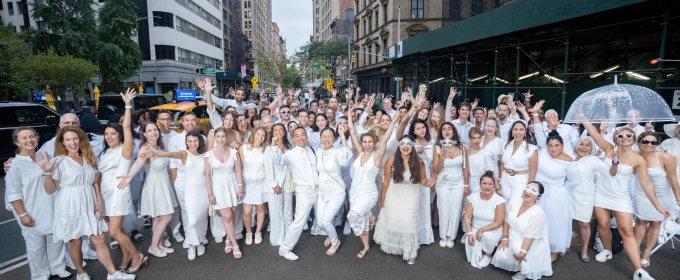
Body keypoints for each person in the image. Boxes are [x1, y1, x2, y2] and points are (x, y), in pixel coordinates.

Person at [37, 126, 137, 280]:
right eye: (68, 139)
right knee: (75, 243)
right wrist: (47, 172)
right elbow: (50, 190)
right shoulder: (59, 161)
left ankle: (113, 274)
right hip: (69, 203)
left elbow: (94, 182)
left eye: (75, 138)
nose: (72, 142)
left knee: (100, 239)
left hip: (89, 201)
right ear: (62, 143)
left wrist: (98, 200)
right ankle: (81, 273)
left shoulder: (88, 157)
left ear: (80, 139)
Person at [580, 116, 670, 280]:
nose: (624, 138)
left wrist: (658, 206)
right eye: (620, 136)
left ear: (634, 139)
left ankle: (638, 270)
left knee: (627, 231)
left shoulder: (638, 159)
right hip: (601, 192)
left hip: (621, 197)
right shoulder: (608, 148)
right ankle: (607, 250)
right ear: (615, 139)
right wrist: (583, 118)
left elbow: (647, 184)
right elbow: (593, 132)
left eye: (628, 136)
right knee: (604, 224)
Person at [5, 127, 71, 279]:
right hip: (31, 210)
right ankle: (40, 274)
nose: (29, 140)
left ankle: (57, 267)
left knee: (56, 239)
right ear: (17, 143)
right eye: (24, 138)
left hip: (51, 206)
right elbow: (13, 194)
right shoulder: (15, 165)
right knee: (36, 246)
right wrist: (23, 215)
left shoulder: (43, 156)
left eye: (32, 136)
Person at [97, 89, 146, 272]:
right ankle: (126, 256)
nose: (109, 136)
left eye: (113, 133)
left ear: (120, 136)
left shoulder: (124, 150)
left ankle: (136, 256)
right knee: (120, 231)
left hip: (119, 192)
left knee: (114, 232)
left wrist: (127, 104)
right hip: (107, 193)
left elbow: (126, 127)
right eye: (107, 133)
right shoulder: (105, 152)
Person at [143, 131, 209, 261]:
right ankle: (192, 244)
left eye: (195, 140)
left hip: (203, 192)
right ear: (186, 142)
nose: (193, 143)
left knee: (202, 219)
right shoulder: (184, 154)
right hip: (190, 191)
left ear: (199, 141)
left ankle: (200, 242)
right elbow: (171, 154)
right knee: (192, 220)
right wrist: (155, 153)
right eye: (189, 141)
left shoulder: (204, 155)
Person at [118, 122, 178, 259]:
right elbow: (139, 162)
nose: (153, 133)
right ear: (144, 134)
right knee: (166, 217)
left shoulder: (159, 146)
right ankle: (153, 246)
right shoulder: (145, 148)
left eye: (155, 130)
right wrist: (129, 176)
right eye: (149, 131)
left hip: (164, 184)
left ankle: (159, 244)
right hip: (154, 186)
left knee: (158, 216)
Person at [346, 107, 400, 258]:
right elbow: (351, 130)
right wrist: (350, 114)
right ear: (361, 143)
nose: (368, 144)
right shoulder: (359, 153)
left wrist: (394, 120)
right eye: (365, 142)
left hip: (369, 193)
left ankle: (370, 221)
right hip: (355, 193)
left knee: (352, 216)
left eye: (370, 142)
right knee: (362, 219)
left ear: (373, 142)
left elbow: (386, 137)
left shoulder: (377, 156)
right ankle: (366, 246)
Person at [373, 136, 434, 265]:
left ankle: (411, 252)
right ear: (399, 146)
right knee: (394, 221)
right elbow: (386, 182)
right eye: (402, 143)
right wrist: (382, 199)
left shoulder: (419, 162)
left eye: (408, 144)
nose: (405, 147)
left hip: (411, 196)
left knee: (408, 222)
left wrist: (429, 183)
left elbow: (422, 180)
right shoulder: (392, 160)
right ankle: (395, 246)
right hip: (394, 195)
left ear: (412, 146)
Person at [533, 123, 581, 261]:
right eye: (550, 146)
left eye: (557, 145)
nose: (553, 149)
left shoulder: (569, 162)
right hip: (537, 191)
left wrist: (559, 186)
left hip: (555, 195)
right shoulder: (542, 151)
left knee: (553, 223)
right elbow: (538, 132)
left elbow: (575, 181)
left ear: (563, 145)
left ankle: (553, 251)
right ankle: (537, 247)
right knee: (537, 221)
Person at [271, 127, 320, 261]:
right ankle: (284, 249)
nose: (300, 138)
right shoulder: (290, 154)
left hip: (319, 189)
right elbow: (277, 161)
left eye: (302, 135)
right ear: (293, 139)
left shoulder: (312, 150)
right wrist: (274, 146)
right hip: (304, 191)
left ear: (306, 136)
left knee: (324, 218)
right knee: (299, 221)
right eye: (297, 136)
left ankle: (326, 235)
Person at [633, 132, 680, 267]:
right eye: (646, 142)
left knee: (655, 224)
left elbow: (673, 180)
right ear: (639, 142)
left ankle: (647, 252)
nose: (649, 145)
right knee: (641, 221)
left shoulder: (665, 157)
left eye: (653, 143)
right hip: (642, 193)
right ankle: (634, 250)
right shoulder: (634, 156)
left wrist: (678, 198)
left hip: (663, 194)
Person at [491, 181, 552, 280]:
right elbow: (506, 220)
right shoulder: (514, 201)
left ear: (539, 197)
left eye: (533, 190)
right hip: (513, 235)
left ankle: (524, 271)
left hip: (530, 242)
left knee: (519, 253)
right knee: (501, 254)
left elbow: (530, 237)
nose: (528, 191)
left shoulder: (538, 214)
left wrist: (522, 254)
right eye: (527, 187)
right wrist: (505, 238)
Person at [205, 127, 245, 259]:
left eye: (223, 136)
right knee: (227, 217)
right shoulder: (209, 154)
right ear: (214, 138)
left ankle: (228, 239)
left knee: (232, 215)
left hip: (232, 185)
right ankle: (235, 245)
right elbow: (207, 176)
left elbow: (238, 171)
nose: (221, 139)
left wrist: (240, 188)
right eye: (218, 137)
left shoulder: (234, 152)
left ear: (226, 138)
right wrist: (210, 194)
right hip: (218, 187)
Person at [571, 136, 610, 263]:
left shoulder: (593, 160)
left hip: (585, 195)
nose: (584, 147)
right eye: (581, 144)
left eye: (588, 145)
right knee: (565, 221)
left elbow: (608, 172)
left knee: (584, 223)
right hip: (567, 193)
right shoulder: (568, 157)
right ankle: (563, 246)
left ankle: (584, 249)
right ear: (577, 145)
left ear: (592, 148)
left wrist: (614, 160)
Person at [432, 122, 469, 248]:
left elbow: (466, 168)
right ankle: (443, 235)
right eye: (444, 129)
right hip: (443, 182)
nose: (446, 131)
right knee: (443, 208)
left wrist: (466, 185)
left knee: (456, 208)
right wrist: (441, 158)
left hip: (459, 182)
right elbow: (435, 171)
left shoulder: (463, 147)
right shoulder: (437, 148)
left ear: (453, 131)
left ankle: (451, 236)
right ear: (441, 133)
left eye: (449, 129)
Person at [464, 171, 506, 269]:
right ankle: (481, 247)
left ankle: (488, 255)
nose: (487, 187)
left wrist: (482, 230)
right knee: (469, 245)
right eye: (484, 183)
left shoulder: (499, 201)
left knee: (487, 237)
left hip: (493, 228)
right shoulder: (472, 197)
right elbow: (467, 216)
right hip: (476, 225)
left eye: (490, 184)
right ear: (480, 185)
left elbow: (499, 222)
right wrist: (469, 233)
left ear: (494, 185)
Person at [264, 124, 295, 246]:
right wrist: (274, 184)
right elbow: (268, 168)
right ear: (272, 133)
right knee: (276, 211)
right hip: (275, 182)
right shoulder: (269, 148)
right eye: (275, 130)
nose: (278, 132)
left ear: (284, 132)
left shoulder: (290, 146)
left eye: (281, 130)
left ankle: (288, 238)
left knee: (288, 210)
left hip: (288, 181)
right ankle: (277, 239)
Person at [239, 127, 270, 246]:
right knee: (247, 211)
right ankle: (248, 232)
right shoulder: (244, 148)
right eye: (258, 134)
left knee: (260, 208)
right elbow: (239, 167)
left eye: (263, 135)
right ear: (253, 134)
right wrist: (240, 184)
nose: (260, 137)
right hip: (247, 182)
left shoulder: (265, 149)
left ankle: (257, 232)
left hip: (260, 182)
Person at [157, 110, 184, 243]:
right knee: (161, 206)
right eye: (162, 119)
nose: (165, 122)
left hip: (174, 174)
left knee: (175, 205)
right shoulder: (154, 135)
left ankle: (175, 230)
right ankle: (163, 235)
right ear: (158, 120)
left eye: (168, 119)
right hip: (159, 176)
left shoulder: (175, 136)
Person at [499, 121, 538, 202]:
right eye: (515, 129)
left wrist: (528, 188)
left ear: (525, 131)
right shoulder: (505, 145)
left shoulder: (531, 149)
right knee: (503, 204)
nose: (518, 132)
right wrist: (500, 179)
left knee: (515, 205)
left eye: (521, 130)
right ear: (512, 131)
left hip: (520, 181)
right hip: (505, 179)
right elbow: (502, 164)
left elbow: (533, 171)